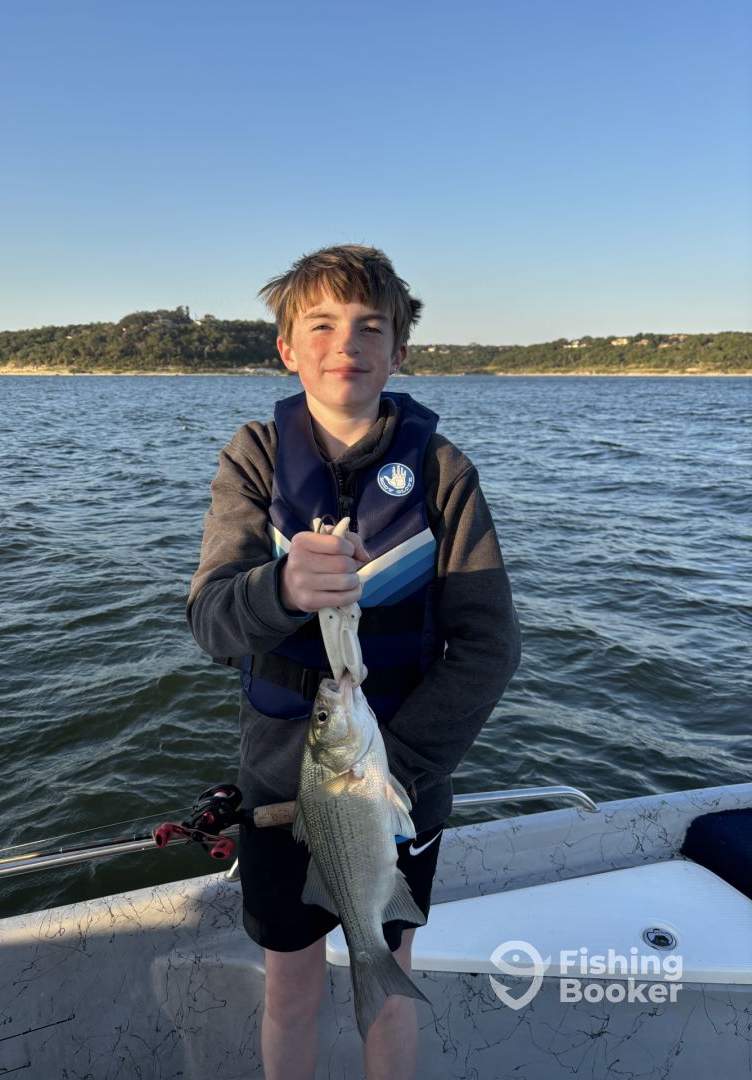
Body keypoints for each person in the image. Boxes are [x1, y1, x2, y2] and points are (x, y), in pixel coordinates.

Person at [187, 244, 520, 1080]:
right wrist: (280, 588)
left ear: (399, 350)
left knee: (391, 984)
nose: (348, 343)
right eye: (322, 325)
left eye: (372, 326)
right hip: (277, 790)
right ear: (286, 349)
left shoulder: (442, 472)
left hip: (403, 786)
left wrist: (388, 770)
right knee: (290, 990)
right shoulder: (255, 458)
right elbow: (212, 623)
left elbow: (490, 645)